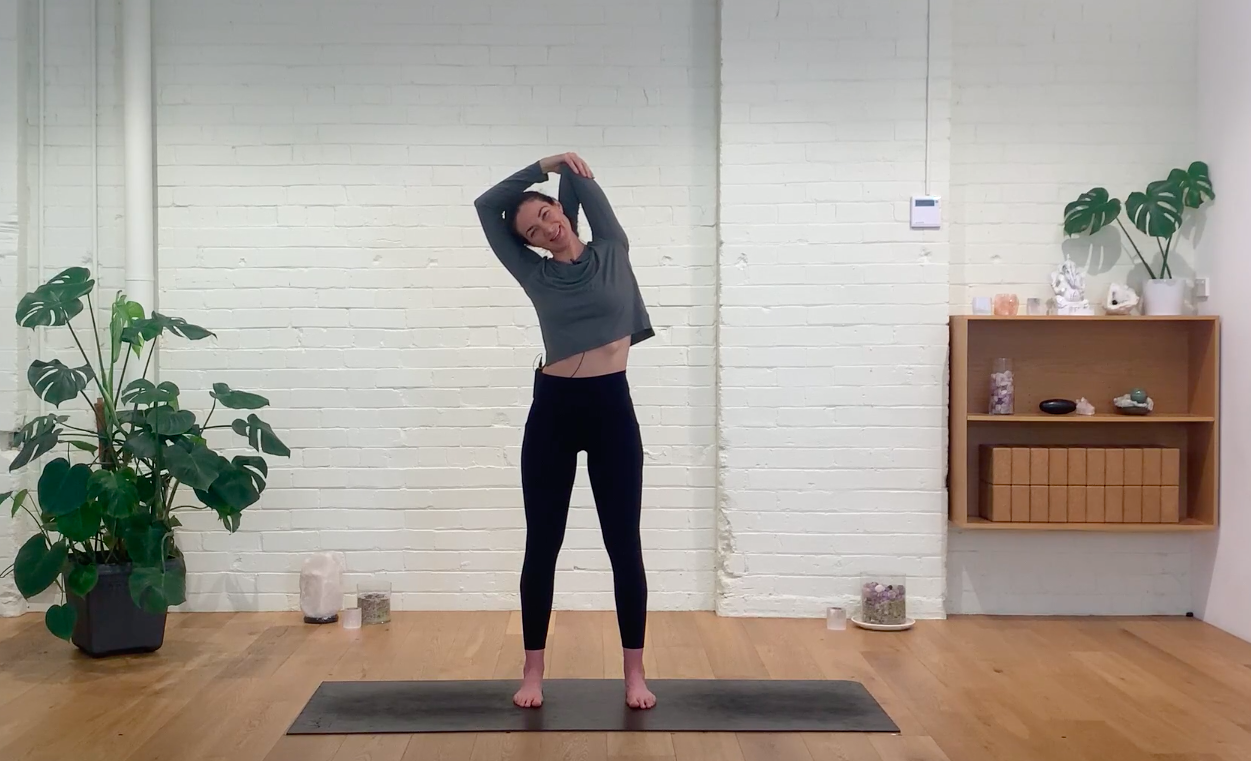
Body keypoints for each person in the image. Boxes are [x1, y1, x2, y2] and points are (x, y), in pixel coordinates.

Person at [474, 152, 656, 710]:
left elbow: (584, 185)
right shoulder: (535, 272)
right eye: (532, 230)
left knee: (623, 545)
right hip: (554, 410)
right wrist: (535, 167)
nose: (545, 228)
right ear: (529, 243)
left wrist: (561, 168)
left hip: (611, 409)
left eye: (547, 214)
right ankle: (533, 672)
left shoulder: (611, 251)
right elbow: (486, 207)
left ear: (560, 208)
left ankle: (634, 674)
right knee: (543, 544)